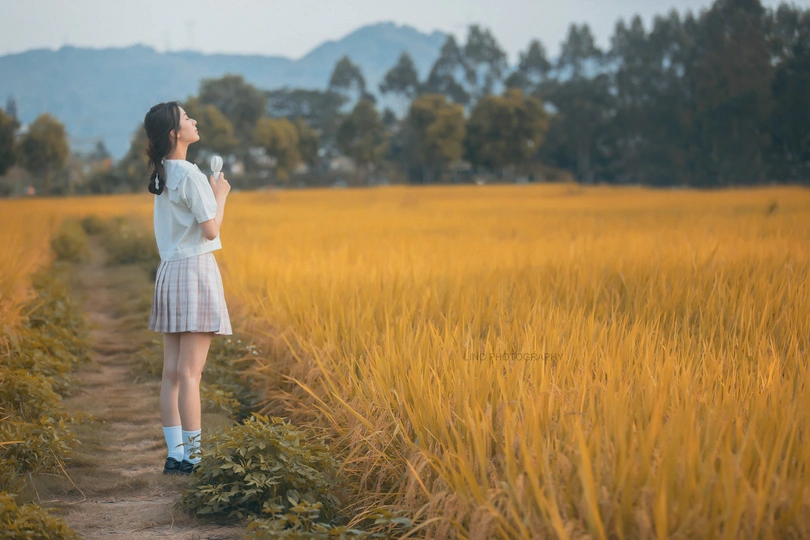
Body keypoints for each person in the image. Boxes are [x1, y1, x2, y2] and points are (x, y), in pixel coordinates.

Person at [142, 101, 232, 475]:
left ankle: (176, 455)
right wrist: (222, 194)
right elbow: (211, 230)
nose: (193, 120)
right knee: (191, 375)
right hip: (195, 272)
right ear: (175, 134)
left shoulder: (164, 173)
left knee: (172, 374)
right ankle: (195, 459)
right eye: (186, 118)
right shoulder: (192, 175)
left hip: (169, 273)